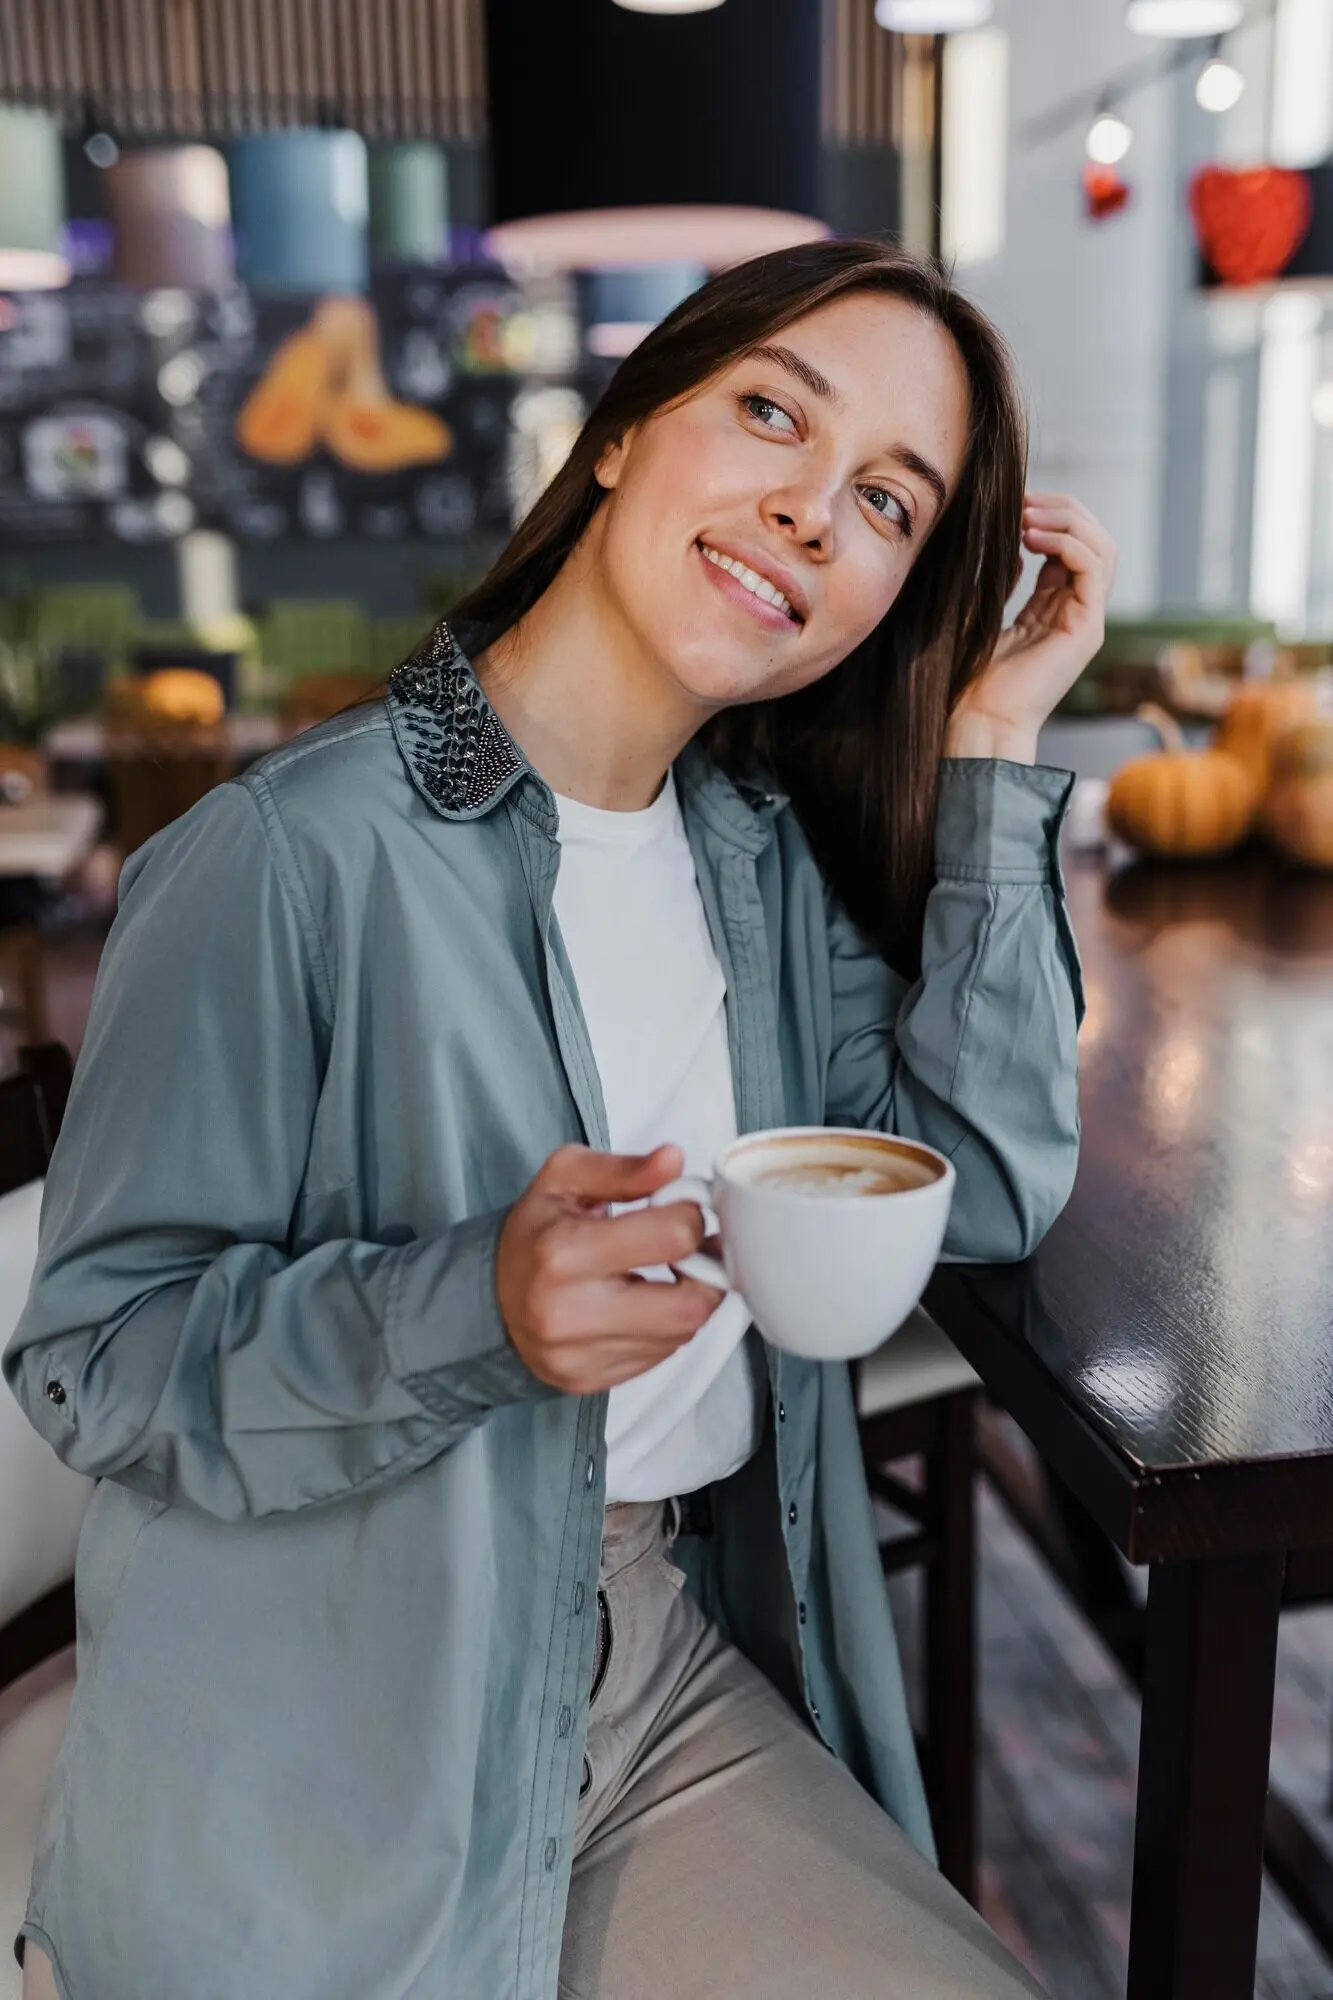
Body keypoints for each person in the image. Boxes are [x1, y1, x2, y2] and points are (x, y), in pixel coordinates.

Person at [7, 239, 1111, 2000]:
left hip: (651, 1671)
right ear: (620, 432)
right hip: (328, 1732)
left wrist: (991, 744)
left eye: (890, 504)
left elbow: (969, 1186)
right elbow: (93, 1359)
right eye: (772, 413)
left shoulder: (758, 872)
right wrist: (476, 1312)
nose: (815, 515)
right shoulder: (283, 859)